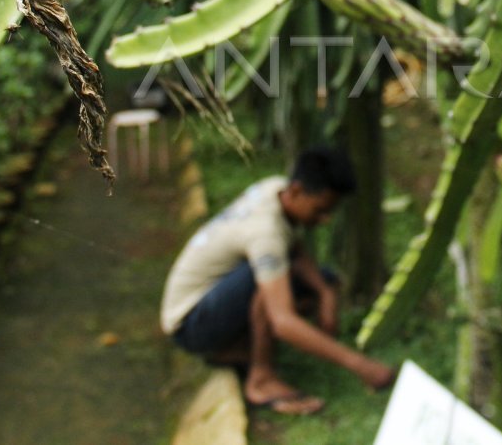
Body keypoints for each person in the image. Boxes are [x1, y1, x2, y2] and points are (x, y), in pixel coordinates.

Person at [160, 146, 395, 414]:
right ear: (296, 191)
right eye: (320, 210)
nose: (325, 219)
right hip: (191, 324)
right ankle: (261, 380)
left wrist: (325, 292)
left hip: (208, 300)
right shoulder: (266, 234)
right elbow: (283, 321)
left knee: (321, 278)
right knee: (268, 287)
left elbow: (293, 247)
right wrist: (361, 366)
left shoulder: (275, 188)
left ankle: (238, 348)